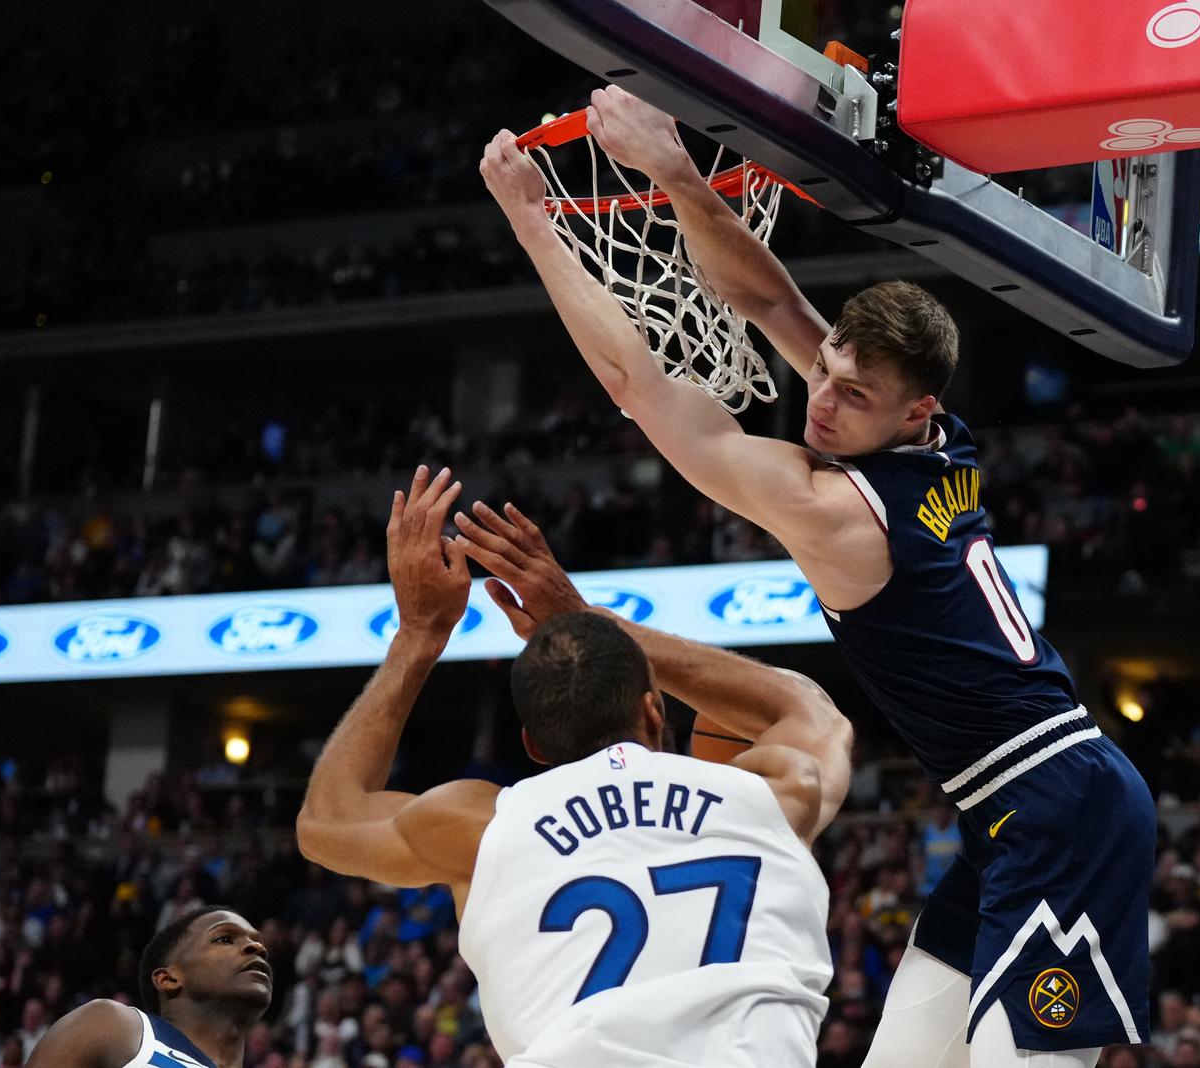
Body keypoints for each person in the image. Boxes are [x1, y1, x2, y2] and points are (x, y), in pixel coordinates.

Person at [480, 87, 1155, 1068]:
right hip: (1015, 813)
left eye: (852, 396)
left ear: (912, 410)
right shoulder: (928, 441)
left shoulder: (835, 513)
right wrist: (670, 171)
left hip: (1064, 810)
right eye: (827, 372)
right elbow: (767, 300)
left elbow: (640, 389)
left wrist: (533, 221)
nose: (823, 403)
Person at [296, 466, 853, 1067]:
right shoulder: (769, 794)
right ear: (653, 707)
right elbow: (805, 709)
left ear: (534, 746)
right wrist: (592, 617)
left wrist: (419, 633)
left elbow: (327, 822)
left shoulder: (481, 828)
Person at [25, 906, 272, 1068]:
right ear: (169, 978)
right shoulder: (114, 1029)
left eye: (260, 944)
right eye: (225, 938)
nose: (258, 948)